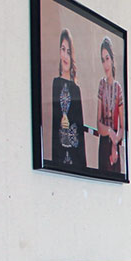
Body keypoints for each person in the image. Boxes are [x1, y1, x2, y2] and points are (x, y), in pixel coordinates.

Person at [51, 28, 87, 169]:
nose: (65, 55)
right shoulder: (56, 83)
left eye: (68, 51)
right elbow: (54, 122)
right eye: (63, 49)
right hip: (59, 151)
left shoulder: (76, 89)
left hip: (74, 153)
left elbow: (79, 126)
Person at [96, 36, 124, 175]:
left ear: (112, 59)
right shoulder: (101, 84)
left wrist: (115, 143)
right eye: (103, 60)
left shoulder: (118, 88)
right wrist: (109, 132)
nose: (105, 64)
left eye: (107, 58)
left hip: (115, 146)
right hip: (103, 145)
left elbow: (122, 126)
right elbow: (99, 124)